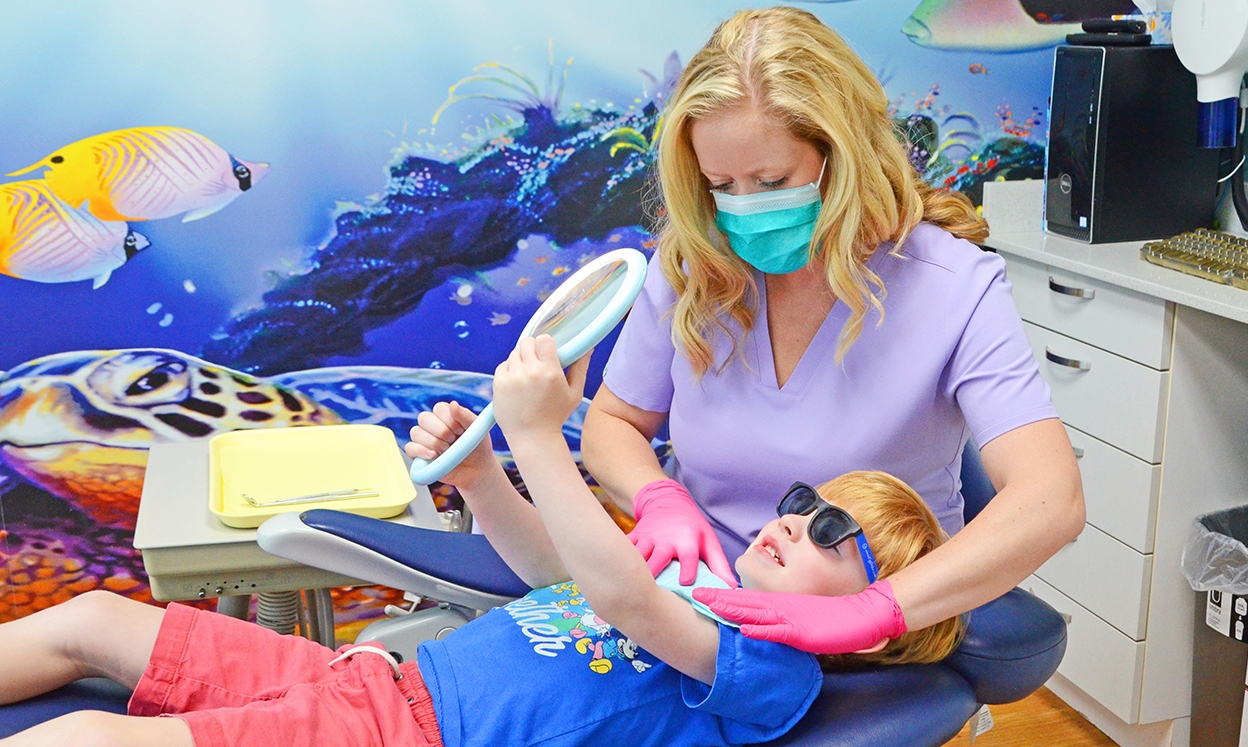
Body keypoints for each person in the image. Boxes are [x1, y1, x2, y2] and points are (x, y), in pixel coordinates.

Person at [0, 335, 962, 747]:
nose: (797, 515)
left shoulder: (770, 675)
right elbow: (554, 574)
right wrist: (481, 475)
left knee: (87, 736)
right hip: (366, 684)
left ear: (869, 624)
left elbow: (623, 598)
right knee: (87, 617)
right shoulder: (707, 586)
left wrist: (544, 435)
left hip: (408, 733)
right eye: (807, 498)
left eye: (835, 531)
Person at [581, 6, 1085, 655]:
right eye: (720, 184)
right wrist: (657, 496)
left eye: (771, 181)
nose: (743, 207)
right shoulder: (695, 268)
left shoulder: (951, 284)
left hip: (873, 641)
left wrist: (875, 610)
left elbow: (1053, 496)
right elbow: (613, 423)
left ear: (843, 154)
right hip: (703, 620)